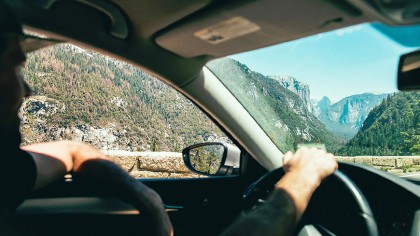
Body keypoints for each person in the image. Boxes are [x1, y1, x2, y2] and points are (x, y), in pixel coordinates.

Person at [0, 1, 337, 235]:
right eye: (15, 66)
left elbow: (74, 152)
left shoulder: (7, 172)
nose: (27, 89)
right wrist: (300, 180)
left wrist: (149, 198)